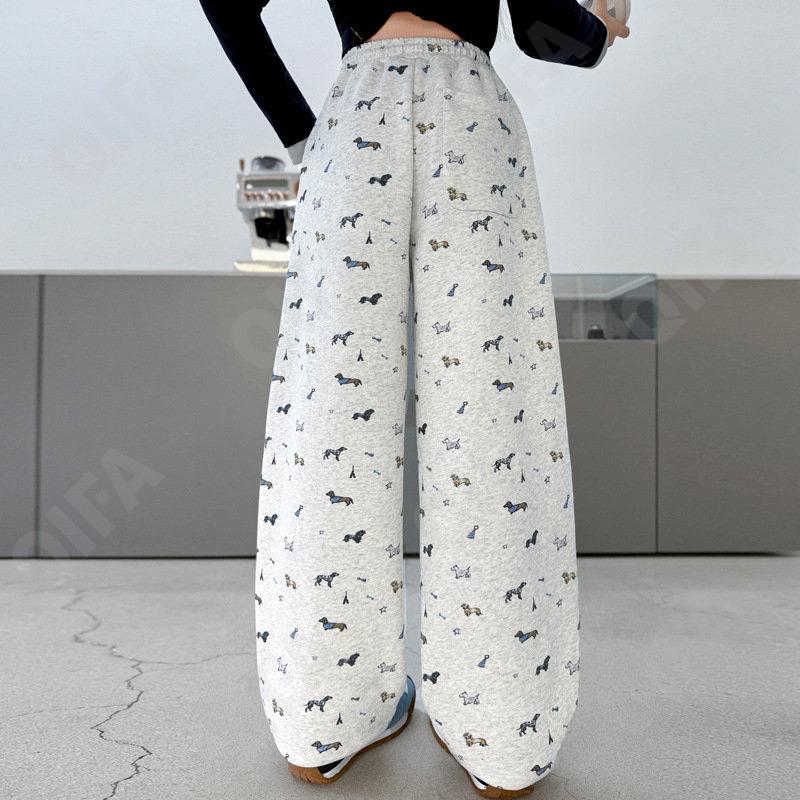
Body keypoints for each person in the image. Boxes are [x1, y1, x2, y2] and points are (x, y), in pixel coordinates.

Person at [198, 3, 630, 797]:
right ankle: (503, 734)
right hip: (471, 122)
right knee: (494, 419)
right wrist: (599, 27)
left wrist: (301, 131)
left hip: (355, 119)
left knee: (325, 417)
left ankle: (322, 720)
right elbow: (544, 28)